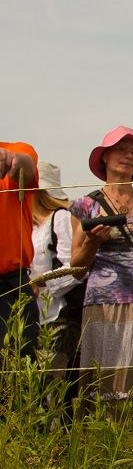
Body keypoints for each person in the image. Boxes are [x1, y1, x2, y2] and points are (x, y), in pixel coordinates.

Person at [69, 127, 133, 401]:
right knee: (106, 380)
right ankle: (103, 441)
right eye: (121, 150)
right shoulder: (85, 205)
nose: (129, 156)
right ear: (105, 157)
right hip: (102, 303)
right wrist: (92, 242)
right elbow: (76, 269)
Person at [30, 162, 85, 406]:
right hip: (26, 319)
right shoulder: (22, 226)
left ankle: (55, 441)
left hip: (56, 318)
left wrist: (41, 282)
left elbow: (75, 268)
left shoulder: (60, 218)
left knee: (51, 389)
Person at [0, 141, 38, 361]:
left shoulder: (19, 148)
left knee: (17, 370)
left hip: (10, 287)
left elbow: (26, 167)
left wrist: (12, 160)